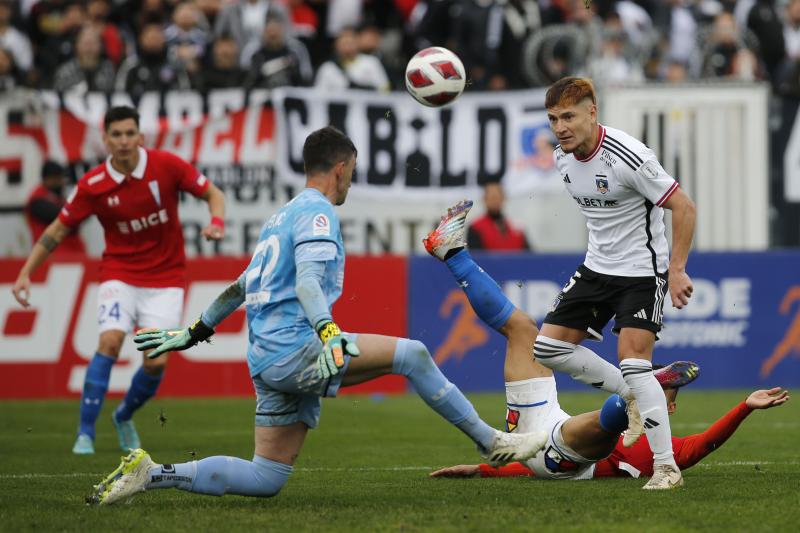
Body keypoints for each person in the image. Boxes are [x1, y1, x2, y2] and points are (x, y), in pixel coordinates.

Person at [85, 126, 548, 506]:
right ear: (342, 168)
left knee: (266, 476)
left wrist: (194, 331)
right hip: (296, 349)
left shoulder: (279, 217)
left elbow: (241, 286)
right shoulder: (317, 213)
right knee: (414, 354)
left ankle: (152, 473)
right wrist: (328, 333)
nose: (349, 180)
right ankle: (492, 442)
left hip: (265, 359)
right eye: (352, 172)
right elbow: (308, 282)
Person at [422, 201, 788, 481]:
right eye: (655, 393)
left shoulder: (666, 449)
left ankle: (630, 395)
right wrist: (480, 471)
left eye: (659, 398)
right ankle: (453, 252)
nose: (660, 403)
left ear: (667, 411)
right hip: (534, 431)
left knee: (606, 425)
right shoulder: (658, 448)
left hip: (563, 458)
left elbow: (704, 443)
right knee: (522, 330)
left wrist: (746, 406)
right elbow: (528, 467)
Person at [11, 106, 226, 455]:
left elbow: (214, 194)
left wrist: (217, 221)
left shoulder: (167, 165)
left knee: (156, 361)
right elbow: (57, 230)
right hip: (119, 273)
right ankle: (84, 434)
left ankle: (123, 416)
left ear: (140, 137)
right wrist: (25, 272)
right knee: (109, 342)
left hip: (166, 278)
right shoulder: (93, 185)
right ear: (105, 140)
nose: (124, 141)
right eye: (117, 134)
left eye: (130, 133)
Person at [533, 77, 697, 489]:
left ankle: (665, 467)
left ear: (592, 112)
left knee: (634, 362)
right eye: (553, 119)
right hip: (597, 268)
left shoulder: (629, 156)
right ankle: (634, 392)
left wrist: (676, 270)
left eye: (568, 116)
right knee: (548, 348)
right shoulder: (562, 158)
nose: (560, 127)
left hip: (643, 272)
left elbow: (684, 206)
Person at [24, 160, 86, 257]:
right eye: (57, 178)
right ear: (47, 179)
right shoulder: (38, 199)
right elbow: (65, 219)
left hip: (73, 254)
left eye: (61, 178)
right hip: (53, 257)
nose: (61, 182)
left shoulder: (59, 199)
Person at [466, 182, 531, 252]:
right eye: (491, 197)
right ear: (484, 200)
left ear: (503, 199)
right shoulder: (475, 227)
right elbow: (477, 257)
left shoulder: (517, 227)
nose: (494, 201)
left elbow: (528, 256)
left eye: (497, 197)